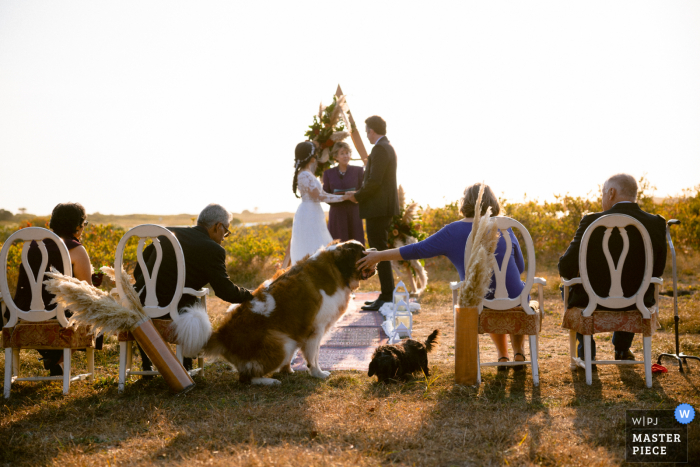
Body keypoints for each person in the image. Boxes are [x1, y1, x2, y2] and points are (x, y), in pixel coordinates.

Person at [357, 183, 529, 368]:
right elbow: (520, 268)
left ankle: (503, 355)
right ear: (493, 202)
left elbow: (416, 249)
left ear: (465, 203)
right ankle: (518, 352)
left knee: (484, 295)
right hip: (517, 298)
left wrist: (379, 255)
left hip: (479, 301)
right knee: (509, 292)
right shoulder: (505, 226)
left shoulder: (452, 231)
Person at [558, 173, 667, 362]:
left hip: (592, 302)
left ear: (611, 193)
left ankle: (587, 352)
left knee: (566, 288)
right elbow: (657, 271)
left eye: (602, 193)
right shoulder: (656, 223)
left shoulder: (591, 221)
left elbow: (566, 268)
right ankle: (622, 349)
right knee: (635, 286)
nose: (602, 198)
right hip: (638, 302)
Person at [133, 203, 254, 371]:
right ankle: (186, 365)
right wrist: (252, 294)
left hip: (141, 304)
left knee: (185, 297)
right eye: (226, 231)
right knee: (194, 302)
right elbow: (225, 291)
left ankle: (147, 365)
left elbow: (140, 269)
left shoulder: (166, 233)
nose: (224, 237)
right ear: (217, 226)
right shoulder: (213, 249)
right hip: (173, 309)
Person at [11, 202, 97, 376]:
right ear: (77, 225)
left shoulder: (33, 245)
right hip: (60, 320)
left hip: (23, 316)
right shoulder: (76, 249)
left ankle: (54, 358)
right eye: (84, 224)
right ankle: (59, 359)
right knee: (93, 309)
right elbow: (88, 291)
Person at [348, 116, 399, 311]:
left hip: (378, 208)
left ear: (371, 131)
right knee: (380, 250)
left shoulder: (379, 149)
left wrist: (357, 196)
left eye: (367, 131)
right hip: (382, 207)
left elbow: (374, 181)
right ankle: (387, 294)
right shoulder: (387, 147)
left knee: (378, 252)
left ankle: (387, 296)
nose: (366, 135)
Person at [290, 141, 355, 264]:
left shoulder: (308, 173)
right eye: (314, 153)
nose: (316, 155)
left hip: (315, 211)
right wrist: (344, 198)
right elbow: (319, 197)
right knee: (312, 242)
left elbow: (323, 195)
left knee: (320, 241)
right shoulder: (304, 175)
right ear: (309, 155)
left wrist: (343, 196)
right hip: (308, 213)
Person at [322, 141, 365, 243]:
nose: (346, 156)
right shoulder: (328, 173)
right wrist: (339, 198)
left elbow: (363, 191)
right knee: (338, 247)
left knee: (356, 244)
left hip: (354, 212)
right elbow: (325, 195)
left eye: (347, 153)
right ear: (336, 156)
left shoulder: (358, 171)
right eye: (342, 153)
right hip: (337, 214)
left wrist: (354, 195)